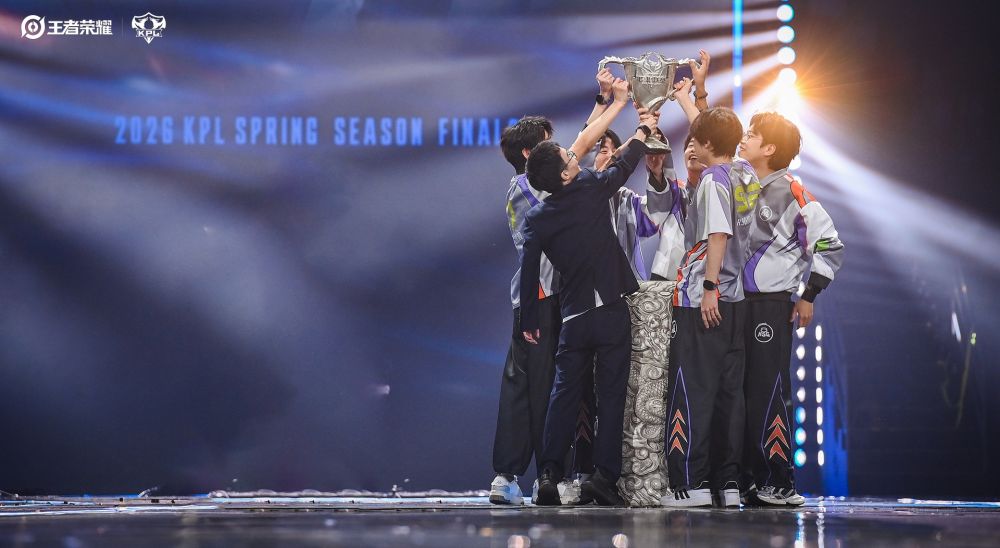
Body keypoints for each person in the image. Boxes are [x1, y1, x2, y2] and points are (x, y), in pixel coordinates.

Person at [520, 77, 656, 506]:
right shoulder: (590, 188)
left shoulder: (538, 216)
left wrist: (529, 321)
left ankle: (548, 475)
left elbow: (528, 272)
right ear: (564, 172)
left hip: (574, 317)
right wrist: (642, 129)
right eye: (568, 155)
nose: (573, 152)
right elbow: (623, 166)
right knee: (611, 396)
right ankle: (604, 477)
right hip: (612, 310)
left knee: (564, 395)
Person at [737, 112, 845, 506]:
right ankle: (743, 479)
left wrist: (808, 295)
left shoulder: (794, 192)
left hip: (770, 306)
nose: (743, 137)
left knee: (768, 390)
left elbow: (830, 246)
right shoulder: (738, 185)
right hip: (733, 305)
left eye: (752, 134)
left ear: (769, 148)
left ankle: (779, 480)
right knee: (736, 392)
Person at [663, 107, 758, 508]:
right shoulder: (746, 173)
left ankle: (690, 482)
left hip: (705, 298)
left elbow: (718, 234)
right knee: (729, 394)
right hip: (738, 299)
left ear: (704, 143)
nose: (692, 147)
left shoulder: (712, 180)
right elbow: (719, 131)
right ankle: (728, 482)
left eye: (695, 140)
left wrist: (708, 287)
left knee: (693, 388)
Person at [490, 115, 559, 505]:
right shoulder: (526, 186)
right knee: (531, 388)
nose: (560, 153)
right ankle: (516, 475)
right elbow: (578, 156)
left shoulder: (536, 185)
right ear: (532, 153)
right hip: (539, 298)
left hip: (548, 297)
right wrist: (610, 105)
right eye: (551, 144)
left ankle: (539, 474)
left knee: (536, 386)